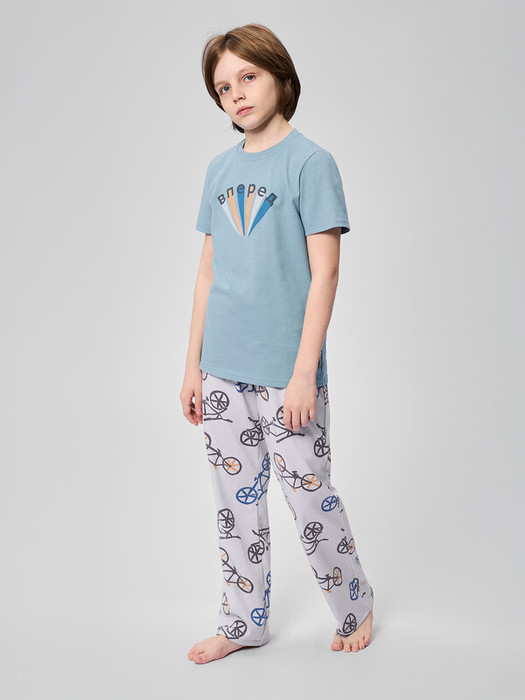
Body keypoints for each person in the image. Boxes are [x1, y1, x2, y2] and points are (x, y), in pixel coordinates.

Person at [181, 23, 374, 665]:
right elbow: (207, 275)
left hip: (286, 373)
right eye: (223, 87)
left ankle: (354, 603)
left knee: (310, 496)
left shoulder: (311, 164)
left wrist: (303, 373)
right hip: (221, 370)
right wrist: (192, 367)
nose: (236, 93)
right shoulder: (218, 170)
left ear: (279, 76)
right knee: (235, 510)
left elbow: (326, 274)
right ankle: (243, 623)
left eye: (248, 76)